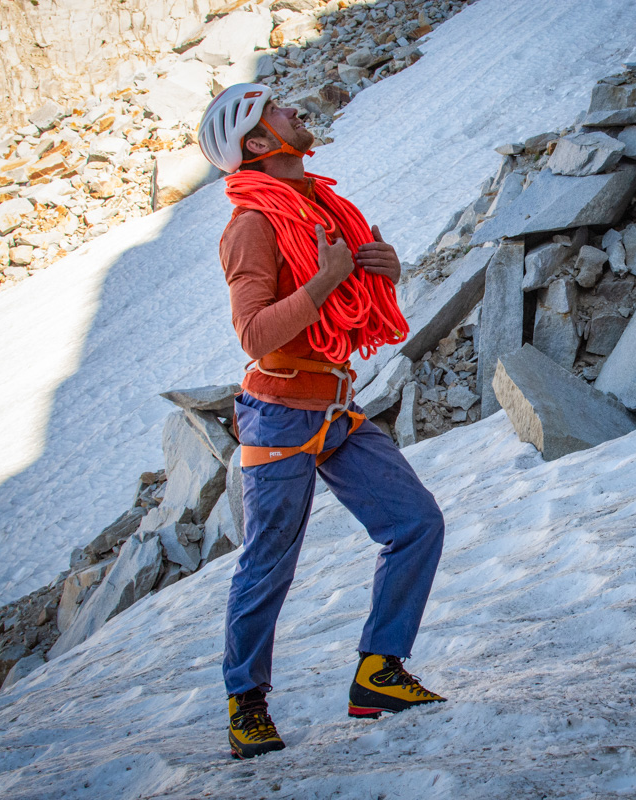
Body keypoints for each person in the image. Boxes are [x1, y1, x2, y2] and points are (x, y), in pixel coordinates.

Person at [197, 83, 446, 760]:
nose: (295, 110)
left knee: (416, 523)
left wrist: (380, 274)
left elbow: (346, 301)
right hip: (278, 415)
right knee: (269, 564)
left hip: (334, 404)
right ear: (256, 143)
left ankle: (378, 675)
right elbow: (254, 332)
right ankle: (246, 706)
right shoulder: (251, 224)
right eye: (276, 110)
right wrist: (328, 279)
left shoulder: (318, 206)